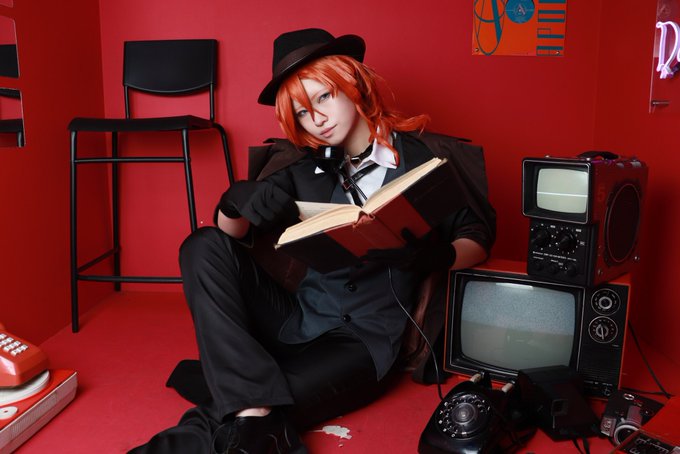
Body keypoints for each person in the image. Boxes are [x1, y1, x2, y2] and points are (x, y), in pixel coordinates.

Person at [129, 28, 495, 454]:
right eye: (302, 112)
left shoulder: (421, 161)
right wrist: (233, 203)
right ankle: (251, 402)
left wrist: (436, 255)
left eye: (324, 97)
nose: (317, 119)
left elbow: (477, 237)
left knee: (248, 411)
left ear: (354, 85)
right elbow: (229, 239)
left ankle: (239, 408)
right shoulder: (300, 169)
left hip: (363, 343)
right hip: (297, 321)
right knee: (201, 244)